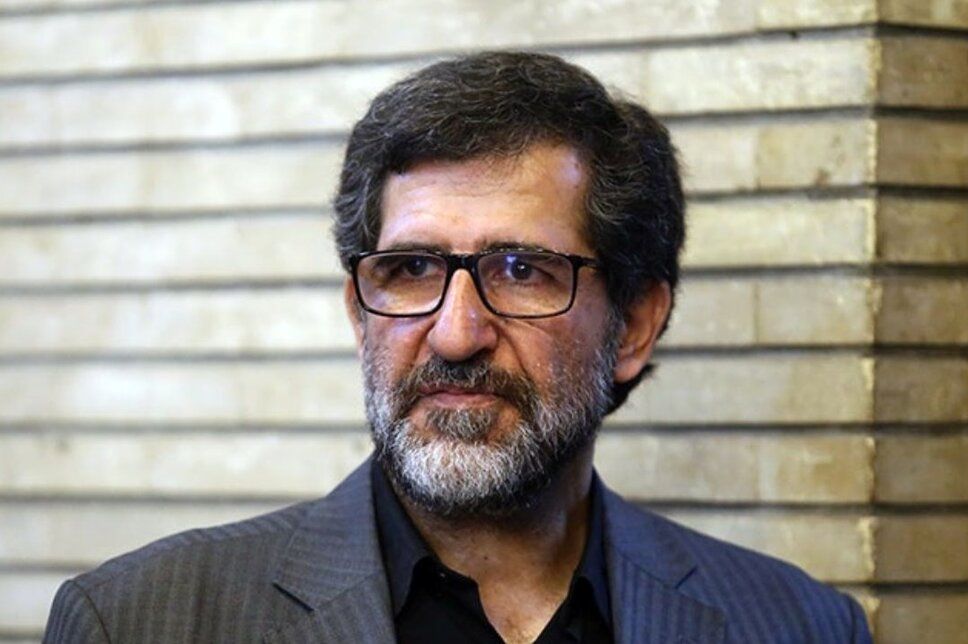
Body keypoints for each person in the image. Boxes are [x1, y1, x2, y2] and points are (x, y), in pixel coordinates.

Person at [44, 51, 872, 643]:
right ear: (360, 314)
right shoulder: (139, 620)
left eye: (522, 270)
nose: (456, 333)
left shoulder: (800, 627)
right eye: (410, 270)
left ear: (634, 325)